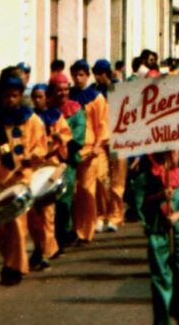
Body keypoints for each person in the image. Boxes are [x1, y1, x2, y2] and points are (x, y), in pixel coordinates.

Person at [0, 75, 46, 286]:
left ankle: (14, 267)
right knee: (0, 226)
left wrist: (31, 157)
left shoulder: (32, 120)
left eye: (15, 96)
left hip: (22, 178)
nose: (11, 100)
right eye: (7, 96)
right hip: (0, 181)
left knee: (17, 224)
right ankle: (10, 260)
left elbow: (40, 146)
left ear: (20, 97)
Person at [132, 150, 179, 325]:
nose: (177, 156)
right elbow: (139, 203)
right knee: (161, 279)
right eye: (174, 153)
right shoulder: (147, 178)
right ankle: (162, 321)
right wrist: (159, 196)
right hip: (158, 232)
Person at [27, 84, 72, 270]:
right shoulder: (28, 118)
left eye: (41, 96)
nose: (37, 100)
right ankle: (39, 247)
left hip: (51, 166)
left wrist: (57, 137)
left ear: (47, 98)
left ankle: (46, 252)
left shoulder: (56, 115)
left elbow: (66, 135)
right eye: (34, 96)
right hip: (33, 167)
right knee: (32, 214)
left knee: (47, 212)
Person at [69, 60, 111, 239]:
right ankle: (76, 227)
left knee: (89, 189)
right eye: (75, 75)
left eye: (81, 75)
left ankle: (89, 227)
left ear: (87, 76)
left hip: (92, 149)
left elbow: (102, 124)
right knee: (74, 191)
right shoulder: (68, 97)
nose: (78, 79)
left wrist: (97, 145)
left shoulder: (96, 98)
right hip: (72, 149)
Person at [47, 73, 86, 250]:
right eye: (59, 90)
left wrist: (62, 145)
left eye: (65, 89)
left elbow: (78, 136)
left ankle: (63, 233)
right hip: (47, 159)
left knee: (64, 197)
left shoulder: (76, 110)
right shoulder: (46, 110)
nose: (63, 93)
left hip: (67, 159)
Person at [92, 58, 127, 233]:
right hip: (101, 139)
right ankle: (100, 214)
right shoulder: (93, 91)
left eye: (97, 74)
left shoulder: (118, 89)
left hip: (120, 138)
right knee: (99, 176)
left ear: (104, 74)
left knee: (117, 180)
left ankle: (115, 215)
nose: (95, 77)